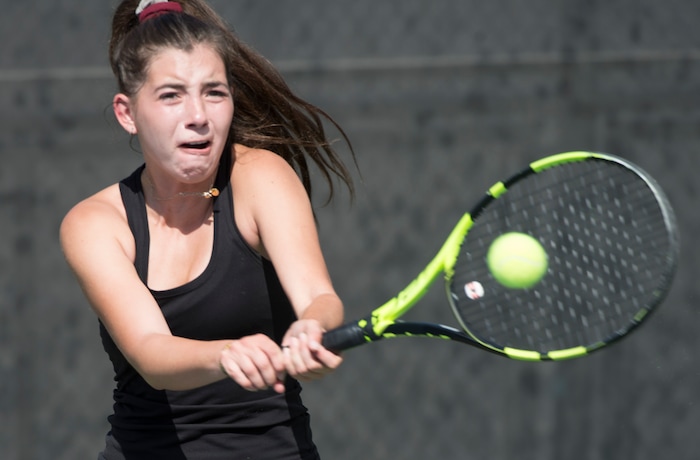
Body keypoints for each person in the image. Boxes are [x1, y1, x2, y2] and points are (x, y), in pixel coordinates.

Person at [60, 0, 356, 458]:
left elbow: (320, 297)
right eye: (171, 95)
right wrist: (225, 354)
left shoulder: (262, 177)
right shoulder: (94, 223)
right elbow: (151, 351)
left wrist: (311, 329)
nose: (198, 114)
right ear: (127, 113)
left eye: (214, 92)